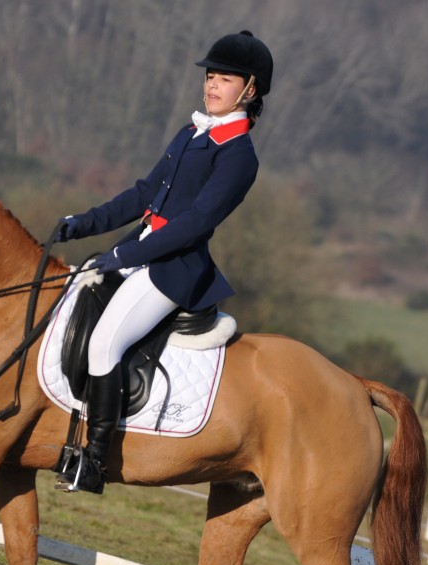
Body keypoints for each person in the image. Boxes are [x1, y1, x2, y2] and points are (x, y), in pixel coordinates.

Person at [52, 30, 273, 494]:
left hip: (174, 268)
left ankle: (93, 462)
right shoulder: (191, 132)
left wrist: (121, 255)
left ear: (249, 90)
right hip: (141, 251)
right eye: (210, 76)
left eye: (224, 79)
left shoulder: (238, 155)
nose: (211, 85)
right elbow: (144, 194)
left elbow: (195, 222)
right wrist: (84, 223)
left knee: (106, 343)